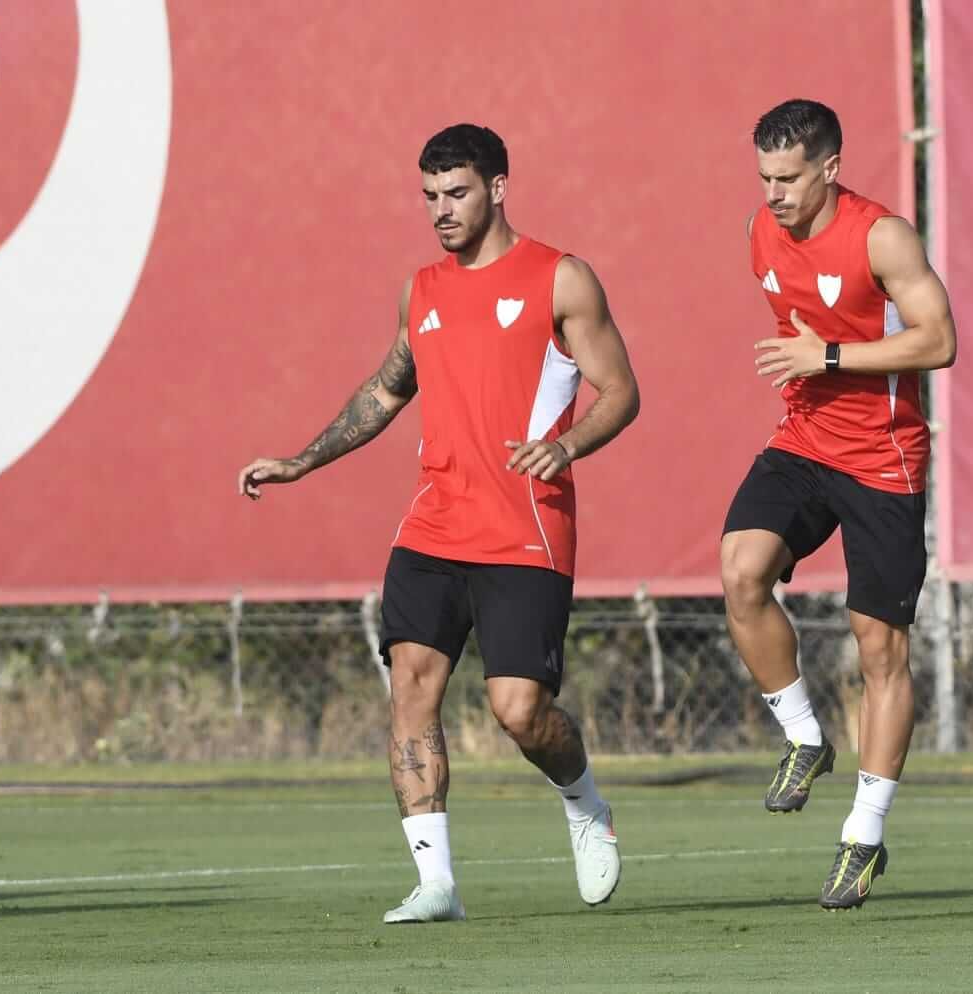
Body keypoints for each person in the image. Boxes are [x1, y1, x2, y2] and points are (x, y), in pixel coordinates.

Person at [237, 124, 639, 923]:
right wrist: (301, 461)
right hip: (432, 528)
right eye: (429, 196)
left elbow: (621, 391)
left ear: (497, 188)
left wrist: (566, 446)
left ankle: (585, 802)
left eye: (456, 193)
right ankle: (437, 883)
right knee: (412, 689)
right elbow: (387, 390)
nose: (440, 210)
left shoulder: (561, 279)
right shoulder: (419, 291)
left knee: (519, 711)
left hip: (524, 527)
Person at [720, 99, 956, 910]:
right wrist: (810, 367)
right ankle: (803, 736)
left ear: (831, 167)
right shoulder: (759, 230)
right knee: (741, 572)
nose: (775, 193)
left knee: (878, 650)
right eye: (765, 177)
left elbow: (939, 340)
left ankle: (864, 833)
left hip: (885, 460)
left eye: (789, 178)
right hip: (805, 442)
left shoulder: (881, 236)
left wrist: (825, 355)